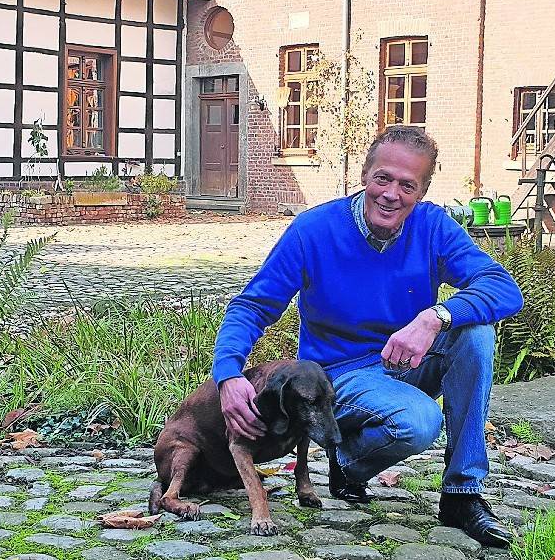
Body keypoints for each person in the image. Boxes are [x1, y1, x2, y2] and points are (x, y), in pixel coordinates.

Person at [212, 126, 524, 547]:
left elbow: (503, 289)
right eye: (383, 178)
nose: (391, 194)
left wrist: (435, 317)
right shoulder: (313, 230)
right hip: (340, 375)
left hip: (407, 360)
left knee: (475, 332)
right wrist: (229, 376)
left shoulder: (433, 228)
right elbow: (252, 307)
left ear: (423, 190)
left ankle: (462, 494)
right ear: (364, 175)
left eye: (406, 185)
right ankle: (348, 461)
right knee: (420, 422)